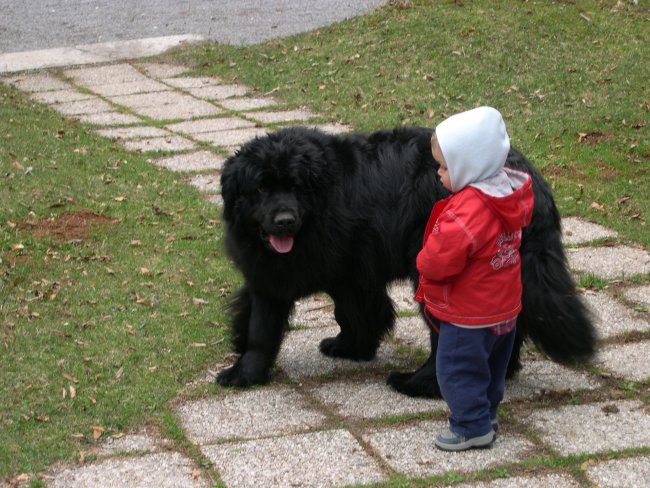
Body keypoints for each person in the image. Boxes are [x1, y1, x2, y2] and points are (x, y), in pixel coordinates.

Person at [414, 106, 534, 451]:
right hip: (504, 310)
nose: (438, 173)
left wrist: (422, 260)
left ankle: (470, 426)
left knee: (457, 369)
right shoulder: (507, 195)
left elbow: (440, 261)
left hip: (469, 315)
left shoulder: (469, 210)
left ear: (470, 165)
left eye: (445, 166)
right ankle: (486, 413)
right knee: (492, 367)